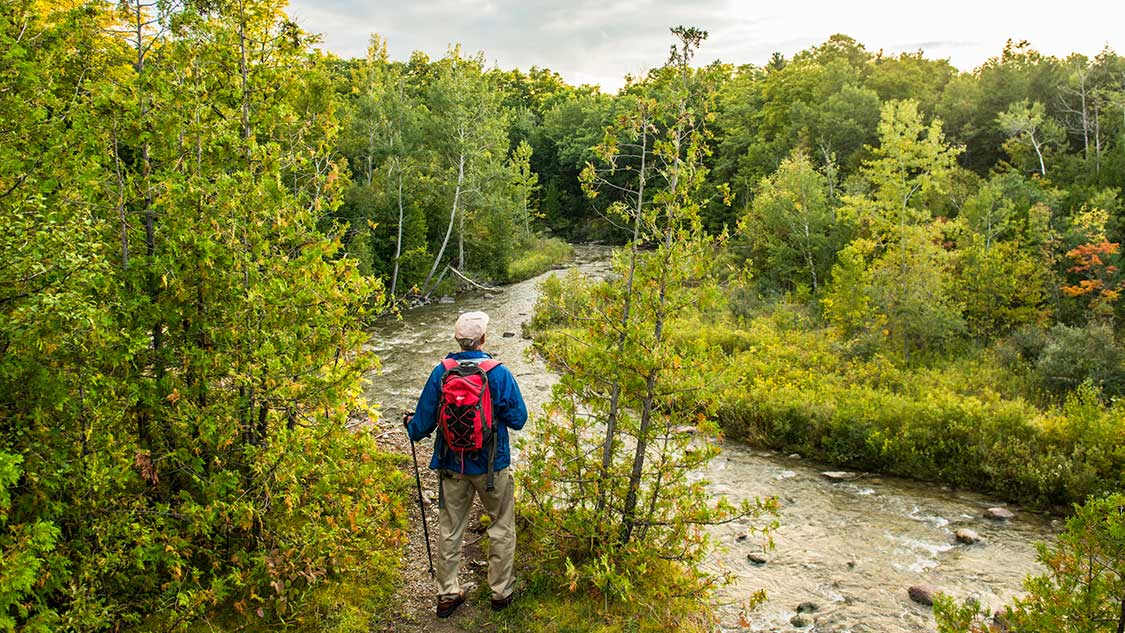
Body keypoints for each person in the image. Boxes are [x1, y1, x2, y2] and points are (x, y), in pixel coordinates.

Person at [405, 311, 527, 619]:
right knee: (500, 527)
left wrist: (410, 425)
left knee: (450, 529)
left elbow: (420, 426)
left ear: (457, 340)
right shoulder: (498, 373)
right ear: (484, 338)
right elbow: (519, 419)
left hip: (451, 465)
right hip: (491, 466)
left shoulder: (441, 372)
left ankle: (447, 593)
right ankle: (501, 592)